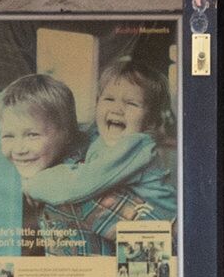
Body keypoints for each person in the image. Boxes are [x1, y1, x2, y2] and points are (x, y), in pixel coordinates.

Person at [11, 60, 179, 254]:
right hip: (130, 230)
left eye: (131, 103)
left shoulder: (135, 145)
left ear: (150, 120)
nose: (117, 109)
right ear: (97, 103)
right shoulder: (97, 139)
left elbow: (82, 182)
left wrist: (34, 185)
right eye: (108, 99)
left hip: (162, 232)